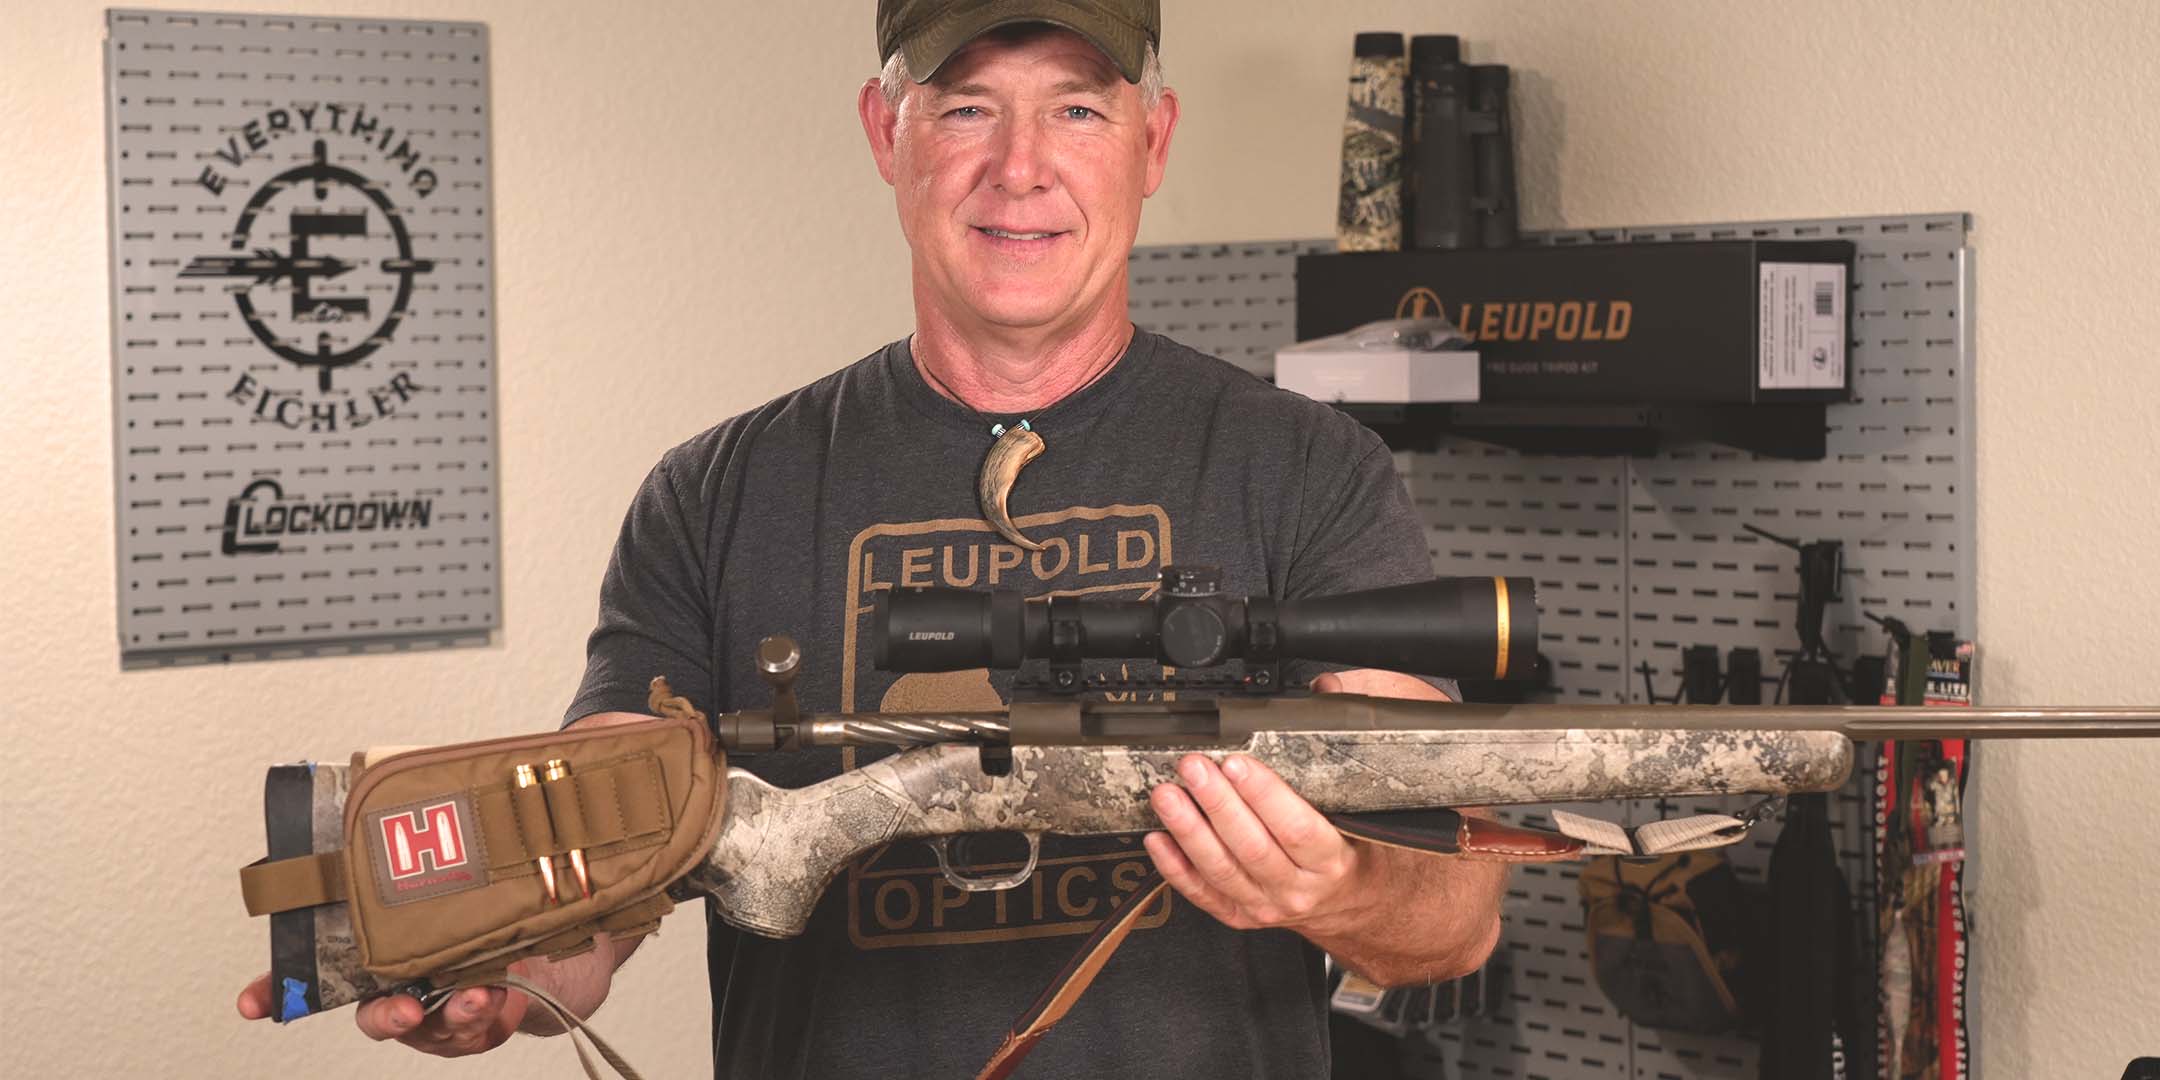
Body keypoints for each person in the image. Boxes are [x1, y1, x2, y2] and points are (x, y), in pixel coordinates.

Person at [239, 2, 1510, 1074]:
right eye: (965, 108)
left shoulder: (1305, 467)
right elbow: (610, 837)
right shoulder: (714, 492)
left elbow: (1454, 920)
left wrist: (1334, 893)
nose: (1021, 167)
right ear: (881, 133)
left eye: (1077, 107)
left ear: (1151, 140)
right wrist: (524, 966)